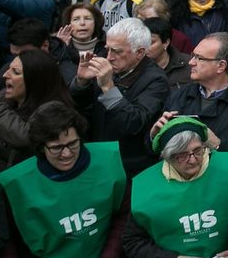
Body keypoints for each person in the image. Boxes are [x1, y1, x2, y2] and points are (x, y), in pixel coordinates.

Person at [0, 101, 128, 258]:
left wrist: (110, 256)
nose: (66, 154)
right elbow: (3, 237)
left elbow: (124, 214)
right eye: (56, 148)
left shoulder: (109, 162)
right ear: (41, 147)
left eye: (72, 144)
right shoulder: (14, 184)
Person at [125, 117, 228, 258]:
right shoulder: (145, 188)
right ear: (167, 156)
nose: (192, 159)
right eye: (181, 155)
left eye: (197, 151)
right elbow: (132, 241)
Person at [69, 17, 169, 175]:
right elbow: (79, 108)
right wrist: (81, 82)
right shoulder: (111, 65)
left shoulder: (156, 80)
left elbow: (134, 123)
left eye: (117, 51)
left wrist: (109, 88)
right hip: (98, 156)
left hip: (130, 166)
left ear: (140, 52)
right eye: (108, 48)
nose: (109, 56)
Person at [156, 32, 228, 151]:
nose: (191, 62)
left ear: (221, 66)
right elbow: (158, 152)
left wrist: (218, 144)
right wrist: (154, 138)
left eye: (199, 58)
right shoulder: (179, 96)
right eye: (193, 55)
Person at [0, 49, 73, 171]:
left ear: (35, 80)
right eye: (9, 69)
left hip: (33, 183)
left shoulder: (55, 109)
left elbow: (25, 136)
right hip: (3, 179)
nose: (5, 75)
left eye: (15, 72)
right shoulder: (7, 97)